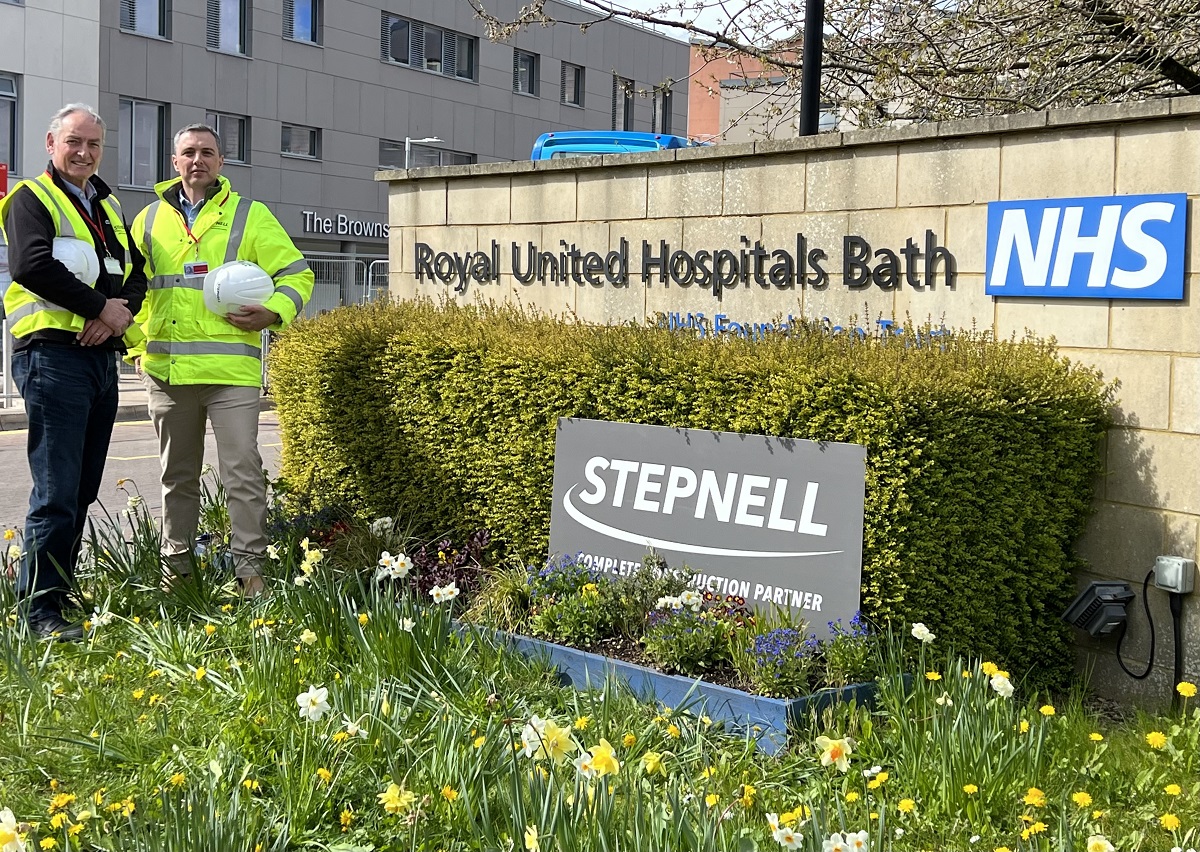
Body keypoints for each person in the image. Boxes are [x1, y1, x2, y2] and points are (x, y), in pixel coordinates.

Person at [128, 123, 313, 597]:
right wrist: (135, 347)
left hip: (231, 374)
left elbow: (296, 273)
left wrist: (275, 311)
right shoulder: (147, 220)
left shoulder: (250, 215)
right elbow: (129, 292)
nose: (197, 161)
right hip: (168, 372)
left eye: (207, 153)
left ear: (221, 162)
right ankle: (178, 575)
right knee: (176, 478)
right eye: (188, 153)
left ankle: (251, 575)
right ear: (174, 162)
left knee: (243, 475)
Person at [0, 104, 147, 639]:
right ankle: (38, 614)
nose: (83, 152)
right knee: (56, 491)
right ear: (50, 143)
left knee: (81, 489)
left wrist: (114, 316)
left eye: (93, 145)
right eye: (73, 142)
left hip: (98, 357)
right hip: (51, 357)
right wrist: (97, 308)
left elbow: (136, 276)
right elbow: (32, 266)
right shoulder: (30, 199)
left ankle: (57, 593)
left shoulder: (107, 205)